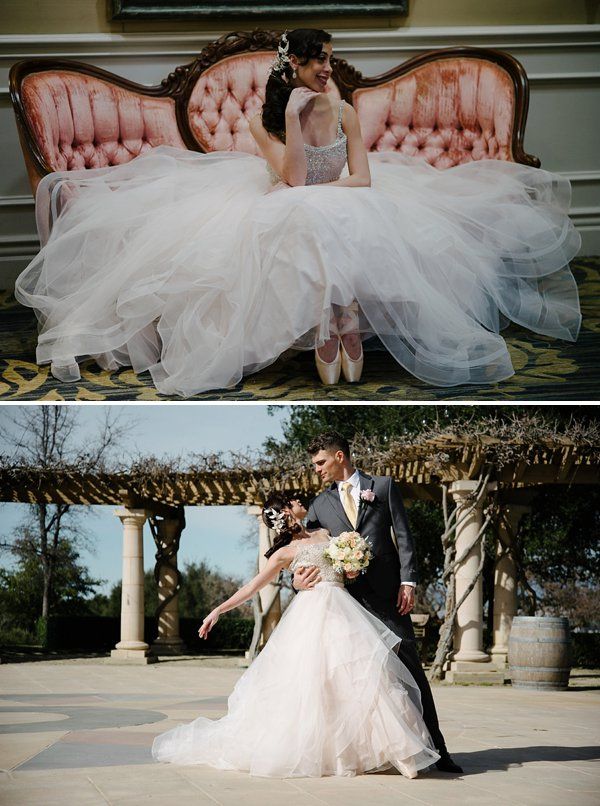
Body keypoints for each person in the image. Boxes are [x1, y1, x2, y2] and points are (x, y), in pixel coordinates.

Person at [15, 29, 580, 396]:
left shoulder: (348, 113)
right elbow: (292, 179)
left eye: (329, 61)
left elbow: (360, 177)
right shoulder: (269, 121)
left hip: (340, 198)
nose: (328, 71)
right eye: (317, 64)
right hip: (281, 196)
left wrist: (330, 174)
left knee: (343, 212)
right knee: (301, 215)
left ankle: (344, 314)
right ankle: (334, 319)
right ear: (295, 70)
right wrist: (293, 116)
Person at [151, 493, 441, 778]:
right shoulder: (283, 553)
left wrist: (351, 568)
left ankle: (397, 752)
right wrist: (218, 610)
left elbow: (345, 571)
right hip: (314, 613)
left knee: (366, 677)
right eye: (290, 504)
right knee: (318, 682)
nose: (297, 504)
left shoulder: (325, 532)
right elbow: (252, 587)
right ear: (285, 514)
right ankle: (336, 755)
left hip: (345, 611)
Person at [293, 430, 462, 773]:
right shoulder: (319, 504)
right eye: (314, 465)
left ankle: (439, 748)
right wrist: (295, 580)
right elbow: (300, 548)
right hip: (345, 601)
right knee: (357, 677)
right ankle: (368, 753)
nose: (317, 469)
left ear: (339, 456)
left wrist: (408, 580)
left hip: (387, 595)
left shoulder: (382, 487)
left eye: (320, 462)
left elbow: (403, 535)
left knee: (411, 667)